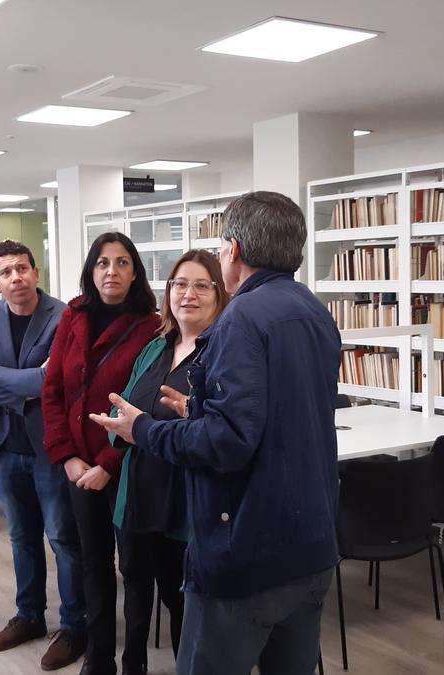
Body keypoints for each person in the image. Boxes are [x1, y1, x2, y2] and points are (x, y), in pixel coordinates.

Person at [91, 192, 342, 675]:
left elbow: (226, 444)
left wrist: (142, 428)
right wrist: (203, 409)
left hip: (248, 550)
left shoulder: (239, 320)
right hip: (311, 542)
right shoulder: (314, 311)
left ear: (232, 250)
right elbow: (278, 416)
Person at [0, 240, 86, 670]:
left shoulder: (63, 316)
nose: (16, 278)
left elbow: (58, 382)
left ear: (36, 273)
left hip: (51, 447)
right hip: (5, 446)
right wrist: (26, 384)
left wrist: (2, 376)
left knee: (63, 540)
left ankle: (74, 626)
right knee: (21, 539)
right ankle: (30, 616)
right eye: (6, 272)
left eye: (22, 269)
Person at [41, 232, 158, 675]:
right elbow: (53, 390)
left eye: (123, 263)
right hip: (79, 467)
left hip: (126, 466)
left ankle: (135, 661)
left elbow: (145, 404)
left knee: (134, 565)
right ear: (91, 271)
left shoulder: (151, 325)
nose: (112, 271)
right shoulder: (73, 316)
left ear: (135, 272)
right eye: (103, 263)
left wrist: (108, 465)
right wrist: (68, 457)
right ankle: (100, 656)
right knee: (93, 564)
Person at [108, 250, 230, 674]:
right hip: (137, 496)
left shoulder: (222, 355)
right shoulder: (154, 348)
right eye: (180, 284)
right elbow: (124, 410)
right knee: (136, 596)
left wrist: (190, 418)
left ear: (220, 294)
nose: (188, 295)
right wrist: (116, 427)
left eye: (201, 285)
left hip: (186, 502)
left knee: (182, 605)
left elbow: (225, 433)